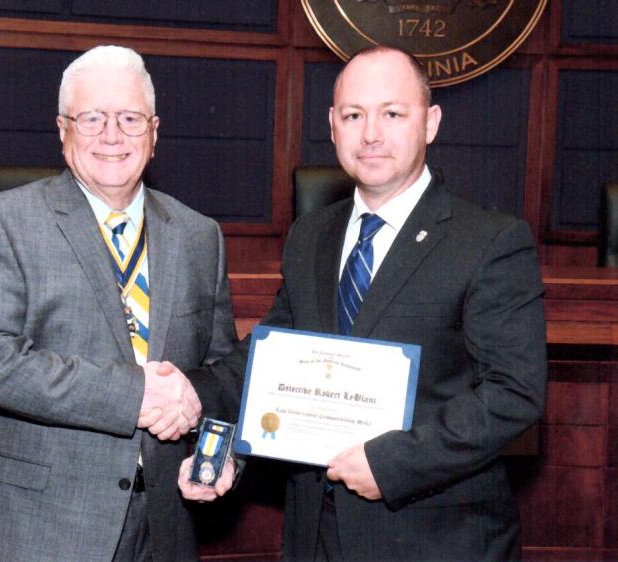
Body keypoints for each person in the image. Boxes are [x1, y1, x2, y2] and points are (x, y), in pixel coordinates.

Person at [179, 45, 547, 561]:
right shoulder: (310, 236)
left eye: (392, 114)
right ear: (332, 126)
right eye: (354, 115)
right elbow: (270, 357)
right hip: (315, 533)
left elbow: (514, 394)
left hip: (436, 541)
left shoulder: (490, 241)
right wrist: (190, 395)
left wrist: (395, 463)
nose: (371, 133)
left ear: (431, 122)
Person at [0, 45, 238, 562]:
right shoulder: (2, 222)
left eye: (129, 119)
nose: (112, 136)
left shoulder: (201, 235)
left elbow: (221, 372)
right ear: (63, 130)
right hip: (39, 529)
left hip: (165, 528)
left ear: (154, 132)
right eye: (92, 118)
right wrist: (134, 394)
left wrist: (222, 453)